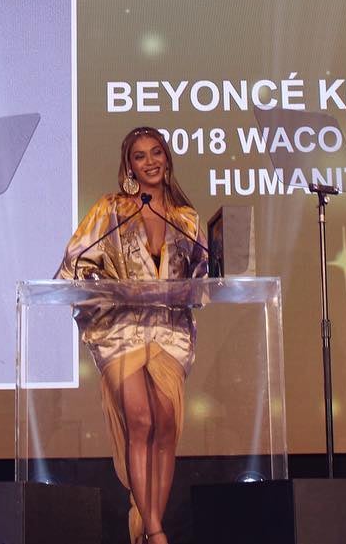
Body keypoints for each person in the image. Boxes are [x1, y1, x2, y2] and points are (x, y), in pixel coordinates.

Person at [57, 127, 207, 544]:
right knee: (140, 420)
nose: (150, 162)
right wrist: (111, 290)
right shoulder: (109, 210)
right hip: (120, 331)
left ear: (167, 158)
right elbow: (74, 266)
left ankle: (146, 524)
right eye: (140, 156)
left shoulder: (186, 218)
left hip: (170, 333)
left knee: (165, 425)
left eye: (156, 153)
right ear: (129, 167)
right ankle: (156, 530)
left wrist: (204, 279)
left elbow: (203, 276)